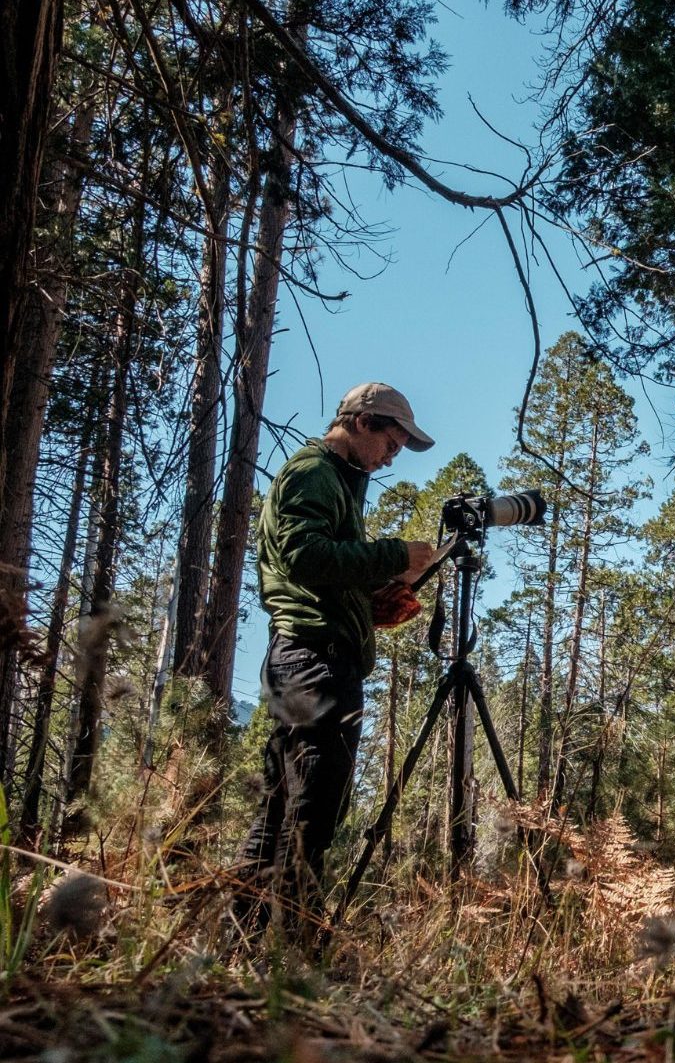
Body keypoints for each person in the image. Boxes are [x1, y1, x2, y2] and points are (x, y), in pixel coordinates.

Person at [233, 383, 437, 946]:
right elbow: (305, 556)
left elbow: (321, 567)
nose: (393, 457)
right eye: (393, 443)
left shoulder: (336, 481)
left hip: (314, 655)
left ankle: (240, 944)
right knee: (310, 809)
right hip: (312, 660)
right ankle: (294, 948)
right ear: (365, 422)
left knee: (286, 806)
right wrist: (395, 554)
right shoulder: (312, 472)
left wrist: (376, 597)